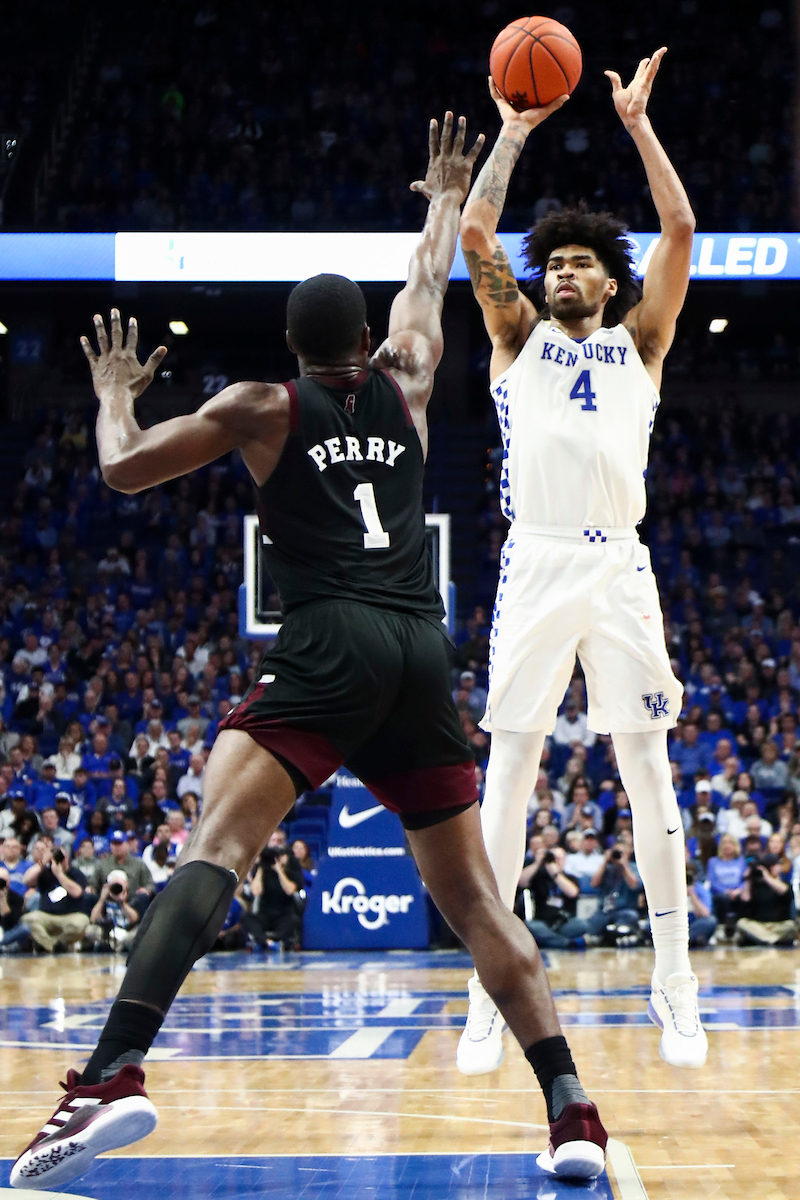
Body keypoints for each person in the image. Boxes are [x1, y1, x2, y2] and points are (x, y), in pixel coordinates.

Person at [12, 113, 608, 1191]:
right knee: (475, 902)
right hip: (420, 649)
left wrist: (111, 397)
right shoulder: (413, 375)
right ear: (364, 341)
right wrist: (438, 198)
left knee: (213, 851)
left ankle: (111, 1076)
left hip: (326, 640)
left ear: (292, 348)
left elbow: (126, 470)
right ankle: (572, 1113)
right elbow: (424, 284)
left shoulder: (259, 407)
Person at [456, 48, 706, 1073]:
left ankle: (674, 984)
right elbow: (476, 234)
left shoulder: (641, 340)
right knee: (505, 778)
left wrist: (635, 124)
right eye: (550, 261)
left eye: (576, 263)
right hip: (537, 562)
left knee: (647, 774)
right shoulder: (513, 334)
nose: (559, 272)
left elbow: (680, 232)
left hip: (618, 569)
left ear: (608, 279)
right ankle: (487, 997)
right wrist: (515, 127)